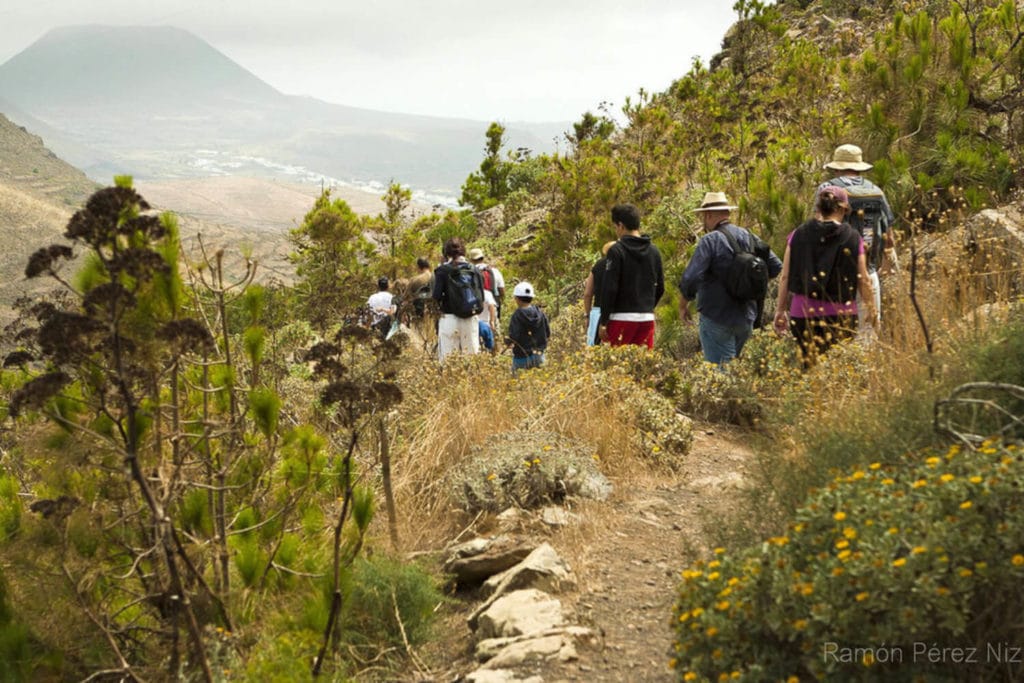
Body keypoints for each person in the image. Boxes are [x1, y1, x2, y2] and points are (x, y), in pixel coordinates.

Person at [773, 185, 879, 366]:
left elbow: (785, 276)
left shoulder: (798, 234)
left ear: (819, 207)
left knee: (810, 368)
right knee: (838, 369)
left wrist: (780, 310)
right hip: (841, 315)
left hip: (803, 313)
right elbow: (864, 280)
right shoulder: (853, 238)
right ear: (843, 209)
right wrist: (872, 311)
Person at [679, 192, 783, 365]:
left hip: (717, 316)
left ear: (709, 214)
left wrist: (683, 304)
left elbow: (691, 277)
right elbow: (775, 266)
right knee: (733, 368)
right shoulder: (749, 236)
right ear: (727, 212)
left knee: (721, 375)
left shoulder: (710, 240)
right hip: (746, 317)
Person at [818, 144, 896, 328]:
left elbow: (819, 227)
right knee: (869, 331)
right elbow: (889, 236)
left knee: (835, 335)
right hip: (868, 271)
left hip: (834, 275)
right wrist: (886, 262)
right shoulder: (876, 191)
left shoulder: (828, 189)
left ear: (837, 168)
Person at [598, 204, 665, 348]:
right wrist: (647, 306)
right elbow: (661, 287)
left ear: (621, 226)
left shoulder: (616, 251)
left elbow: (610, 288)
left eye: (616, 227)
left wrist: (603, 321)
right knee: (643, 366)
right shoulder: (654, 251)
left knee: (616, 366)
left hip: (620, 318)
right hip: (646, 319)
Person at [432, 237, 484, 362]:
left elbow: (436, 296)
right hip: (470, 317)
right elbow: (481, 294)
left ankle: (449, 381)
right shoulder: (474, 269)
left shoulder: (442, 271)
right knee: (472, 358)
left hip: (449, 318)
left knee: (448, 360)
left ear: (446, 252)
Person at [506, 281, 550, 372]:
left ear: (517, 299)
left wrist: (507, 342)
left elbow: (513, 336)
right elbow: (548, 333)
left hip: (521, 357)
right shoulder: (540, 313)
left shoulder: (517, 315)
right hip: (539, 355)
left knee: (517, 382)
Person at [583, 241, 616, 346]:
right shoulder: (624, 265)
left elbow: (588, 294)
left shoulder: (598, 265)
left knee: (594, 347)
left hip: (598, 312)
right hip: (618, 312)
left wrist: (587, 315)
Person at [469, 247, 506, 318]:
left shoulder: (470, 273)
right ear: (483, 258)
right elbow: (502, 291)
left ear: (471, 260)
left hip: (476, 309)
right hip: (493, 307)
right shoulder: (495, 271)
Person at [478, 288, 499, 354]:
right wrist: (492, 321)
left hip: (473, 323)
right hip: (485, 324)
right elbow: (491, 306)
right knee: (491, 344)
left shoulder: (471, 291)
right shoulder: (487, 293)